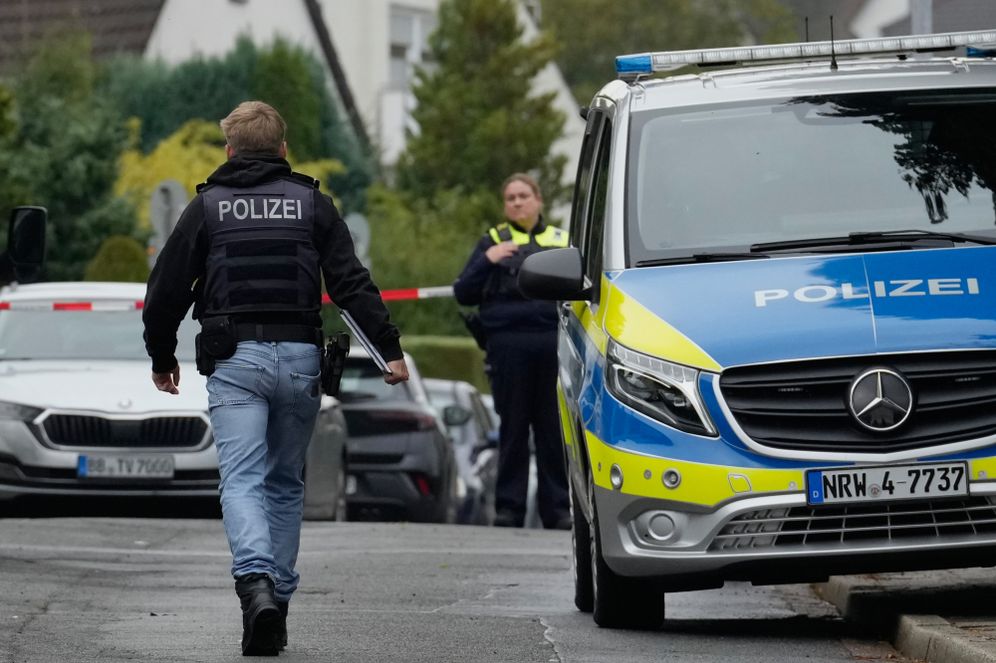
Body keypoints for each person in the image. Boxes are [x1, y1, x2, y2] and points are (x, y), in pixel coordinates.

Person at [142, 101, 409, 656]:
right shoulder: (313, 204)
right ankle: (277, 604)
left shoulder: (207, 209)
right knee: (285, 482)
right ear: (284, 150)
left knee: (242, 480)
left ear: (230, 150)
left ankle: (255, 586)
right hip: (300, 359)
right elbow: (351, 284)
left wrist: (162, 357)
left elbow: (165, 289)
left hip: (234, 358)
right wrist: (388, 350)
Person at [453, 173, 570, 530]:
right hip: (508, 350)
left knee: (553, 431)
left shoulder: (562, 241)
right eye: (510, 198)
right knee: (514, 429)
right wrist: (487, 260)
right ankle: (509, 509)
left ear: (538, 200)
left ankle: (559, 510)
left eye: (523, 196)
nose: (517, 203)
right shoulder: (492, 241)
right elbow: (464, 292)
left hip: (552, 346)